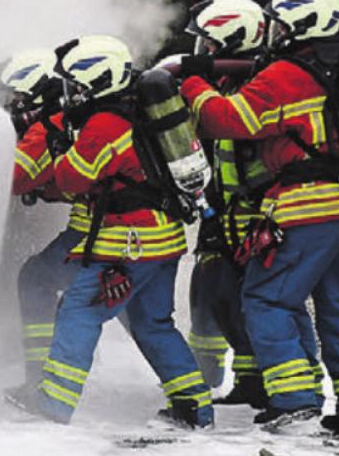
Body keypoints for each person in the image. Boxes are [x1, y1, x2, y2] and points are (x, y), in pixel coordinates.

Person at [179, 0, 339, 435]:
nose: (270, 30)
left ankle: (296, 404)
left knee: (267, 299)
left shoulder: (286, 74)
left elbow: (226, 121)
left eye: (276, 22)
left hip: (310, 205)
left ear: (298, 22)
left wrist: (192, 78)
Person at [19, 35, 213, 428]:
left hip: (129, 244)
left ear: (98, 81)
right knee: (152, 323)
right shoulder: (138, 110)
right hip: (165, 240)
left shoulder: (105, 124)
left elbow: (74, 178)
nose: (72, 93)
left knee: (79, 313)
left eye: (78, 84)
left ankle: (53, 406)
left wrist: (60, 148)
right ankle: (195, 406)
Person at [178, 0, 320, 409]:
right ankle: (246, 380)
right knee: (219, 294)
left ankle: (295, 387)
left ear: (230, 36)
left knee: (266, 297)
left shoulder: (259, 81)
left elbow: (234, 125)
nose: (202, 50)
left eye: (208, 42)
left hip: (261, 210)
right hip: (226, 207)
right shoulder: (227, 80)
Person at [0, 50, 131, 410]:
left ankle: (42, 378)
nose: (14, 105)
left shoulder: (48, 127)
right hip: (123, 232)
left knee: (38, 280)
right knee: (142, 313)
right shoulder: (70, 119)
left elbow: (10, 177)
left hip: (100, 233)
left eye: (21, 98)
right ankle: (194, 394)